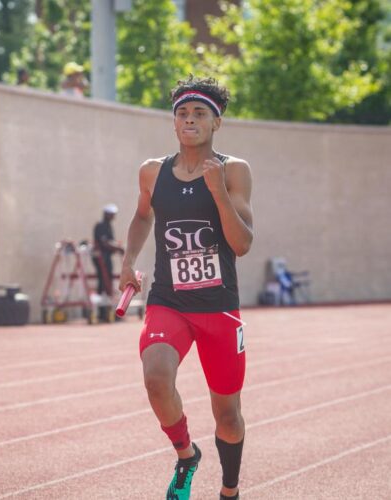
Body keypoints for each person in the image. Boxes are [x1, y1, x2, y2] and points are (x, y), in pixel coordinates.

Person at [119, 75, 253, 500]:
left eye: (199, 113)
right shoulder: (152, 172)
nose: (189, 119)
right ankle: (185, 454)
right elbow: (143, 217)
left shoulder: (233, 170)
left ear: (217, 123)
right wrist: (128, 263)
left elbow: (242, 243)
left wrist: (218, 193)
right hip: (169, 301)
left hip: (219, 306)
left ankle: (229, 490)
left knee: (227, 415)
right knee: (156, 377)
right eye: (182, 113)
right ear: (173, 122)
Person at [92, 204, 124, 297]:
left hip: (106, 257)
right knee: (103, 278)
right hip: (101, 258)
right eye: (111, 214)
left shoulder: (108, 226)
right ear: (106, 214)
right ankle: (102, 305)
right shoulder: (101, 225)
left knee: (107, 278)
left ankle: (106, 302)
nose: (113, 216)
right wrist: (118, 248)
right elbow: (105, 242)